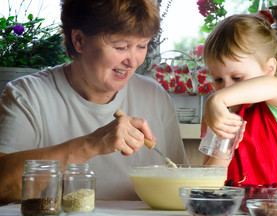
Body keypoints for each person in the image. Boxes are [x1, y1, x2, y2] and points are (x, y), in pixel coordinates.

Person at [0, 0, 187, 204]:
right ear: (79, 40)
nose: (133, 61)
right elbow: (2, 187)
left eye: (142, 46)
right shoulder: (27, 95)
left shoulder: (154, 96)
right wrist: (91, 144)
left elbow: (183, 185)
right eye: (121, 46)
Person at [201, 14, 277, 187]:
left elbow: (271, 85)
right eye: (218, 80)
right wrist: (222, 145)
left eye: (237, 77)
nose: (227, 87)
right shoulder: (222, 119)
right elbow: (208, 184)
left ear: (269, 69)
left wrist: (216, 99)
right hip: (235, 212)